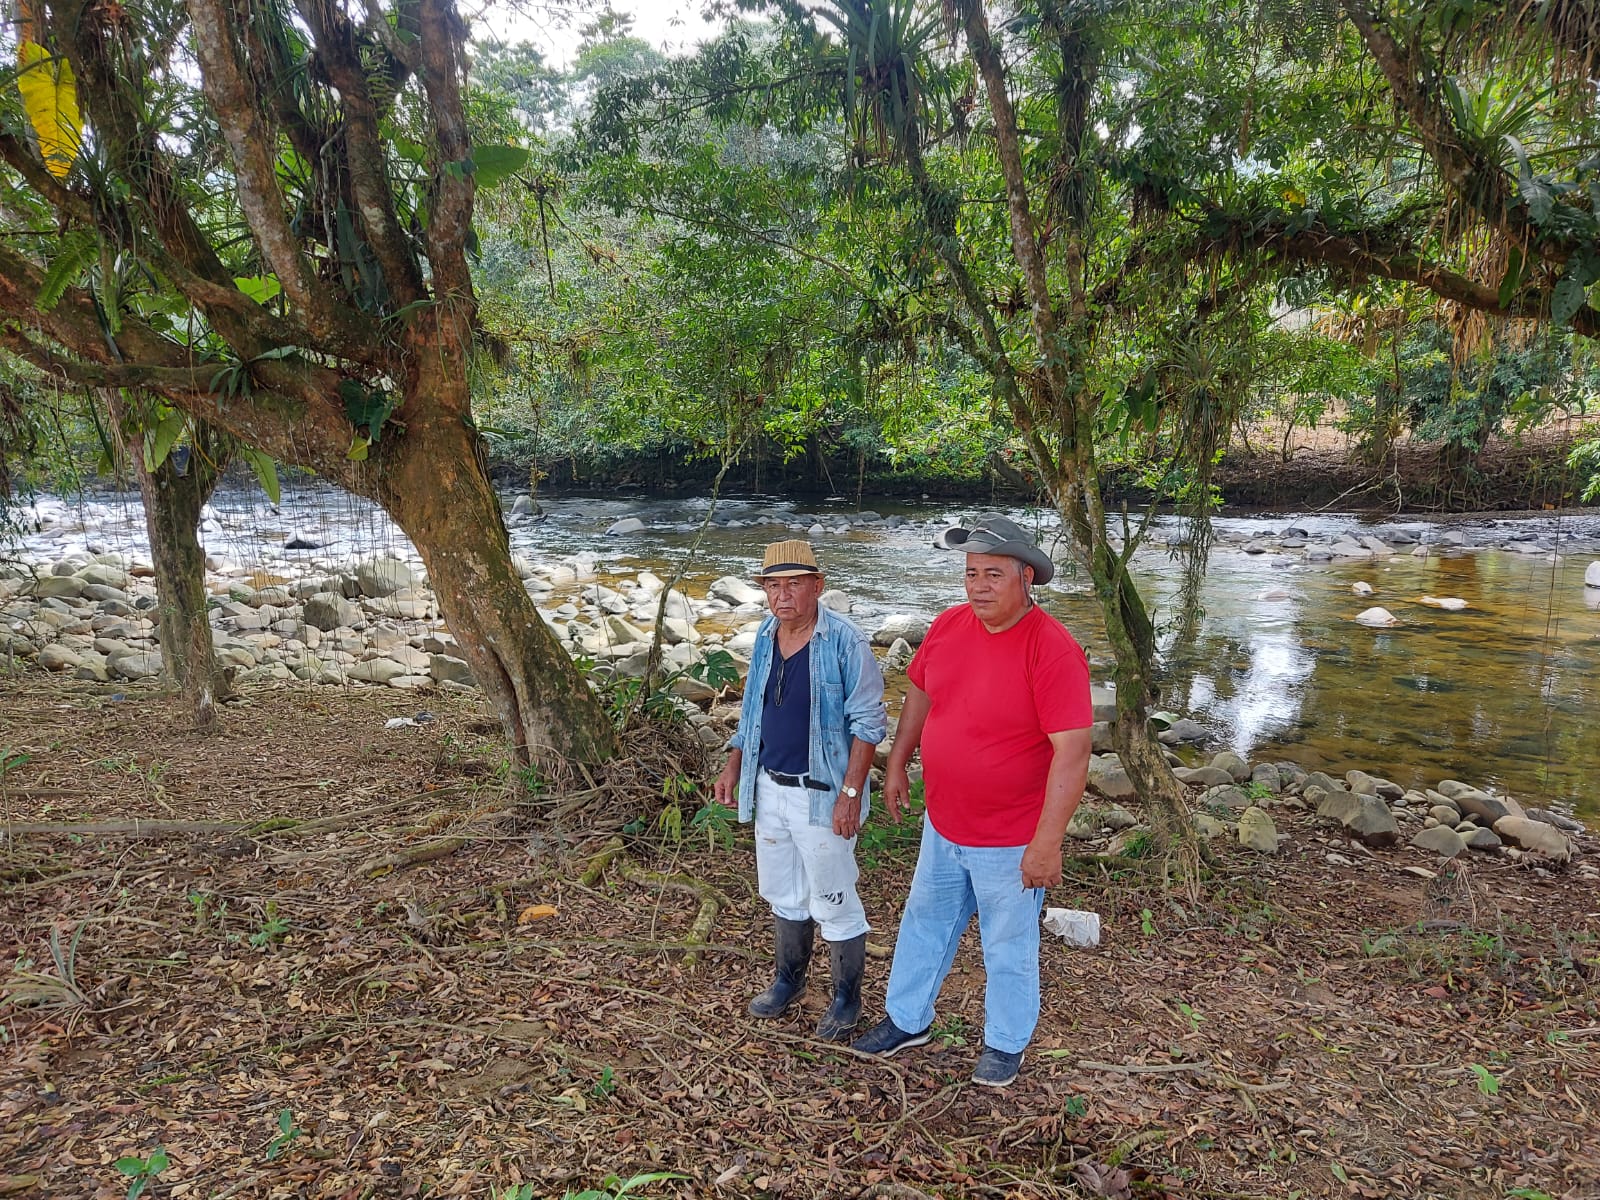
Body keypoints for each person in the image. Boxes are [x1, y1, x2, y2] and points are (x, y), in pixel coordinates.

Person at [852, 515, 1093, 1088]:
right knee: (924, 923)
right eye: (971, 573)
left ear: (1026, 578)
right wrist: (898, 761)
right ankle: (907, 1020)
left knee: (1008, 944)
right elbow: (920, 693)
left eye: (993, 574)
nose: (978, 586)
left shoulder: (1052, 649)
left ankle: (1005, 1044)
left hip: (1010, 836)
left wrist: (1046, 843)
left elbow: (1073, 754)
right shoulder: (948, 625)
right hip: (944, 823)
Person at [714, 539, 887, 1041]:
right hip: (770, 787)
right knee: (784, 893)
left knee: (834, 897)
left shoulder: (844, 642)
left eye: (794, 584)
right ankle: (788, 982)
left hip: (822, 794)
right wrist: (734, 764)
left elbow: (868, 723)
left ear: (818, 586)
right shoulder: (766, 634)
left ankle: (846, 999)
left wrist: (850, 795)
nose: (782, 595)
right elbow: (752, 710)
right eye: (773, 585)